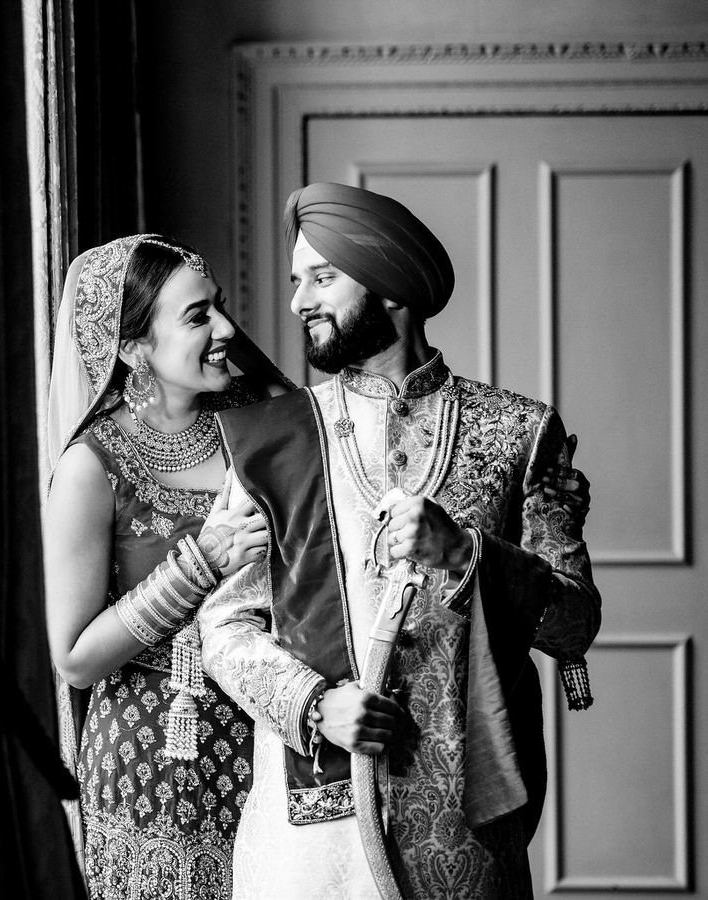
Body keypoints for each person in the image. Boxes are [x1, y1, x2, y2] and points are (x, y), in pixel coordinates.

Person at [196, 183, 601, 898]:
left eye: (323, 277)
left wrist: (467, 554)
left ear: (389, 286)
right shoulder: (274, 440)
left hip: (468, 822)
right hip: (315, 823)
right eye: (296, 281)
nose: (298, 303)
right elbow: (224, 625)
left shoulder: (519, 432)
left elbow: (575, 623)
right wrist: (315, 705)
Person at [43, 234, 292, 899]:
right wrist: (200, 562)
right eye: (197, 316)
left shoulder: (259, 424)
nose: (228, 330)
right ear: (133, 350)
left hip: (274, 740)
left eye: (220, 307)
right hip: (148, 762)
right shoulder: (92, 467)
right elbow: (74, 657)